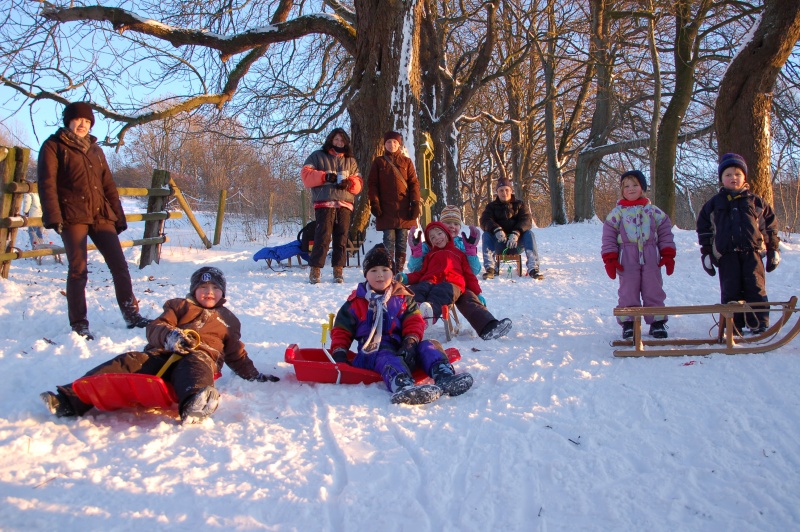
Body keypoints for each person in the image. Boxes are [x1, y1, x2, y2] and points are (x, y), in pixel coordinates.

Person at [40, 267, 279, 424]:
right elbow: (155, 327)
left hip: (201, 357)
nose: (209, 292)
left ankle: (194, 403)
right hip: (163, 354)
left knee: (195, 365)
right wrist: (170, 337)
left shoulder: (228, 320)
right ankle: (70, 398)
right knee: (129, 360)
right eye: (203, 288)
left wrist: (253, 375)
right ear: (193, 290)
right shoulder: (179, 306)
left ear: (222, 293)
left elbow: (235, 354)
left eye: (215, 288)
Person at [37, 101, 150, 340]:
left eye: (87, 121)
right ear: (68, 121)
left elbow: (108, 184)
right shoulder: (53, 146)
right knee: (78, 270)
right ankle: (79, 323)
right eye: (79, 120)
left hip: (100, 215)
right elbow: (47, 184)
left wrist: (117, 215)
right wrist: (53, 217)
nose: (83, 125)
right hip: (72, 216)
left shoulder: (95, 149)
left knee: (120, 266)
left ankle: (132, 315)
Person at [330, 244, 473, 405]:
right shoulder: (356, 302)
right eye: (374, 271)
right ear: (366, 275)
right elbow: (341, 330)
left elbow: (415, 321)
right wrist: (340, 352)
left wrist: (410, 342)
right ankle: (402, 384)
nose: (380, 275)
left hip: (403, 349)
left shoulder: (403, 298)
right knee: (386, 356)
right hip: (373, 353)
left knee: (429, 345)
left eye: (385, 270)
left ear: (393, 274)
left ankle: (444, 375)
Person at [697, 153, 780, 334]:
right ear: (721, 179)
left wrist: (773, 249)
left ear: (744, 177)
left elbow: (769, 226)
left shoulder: (755, 201)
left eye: (737, 174)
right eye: (728, 175)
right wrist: (707, 253)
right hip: (727, 255)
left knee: (755, 287)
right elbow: (705, 230)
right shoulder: (713, 204)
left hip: (752, 252)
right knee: (730, 289)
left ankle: (759, 322)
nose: (733, 178)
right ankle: (733, 324)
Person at [407, 206, 512, 340]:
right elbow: (416, 270)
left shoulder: (464, 244)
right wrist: (416, 252)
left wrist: (470, 250)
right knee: (416, 292)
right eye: (448, 223)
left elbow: (472, 271)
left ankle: (488, 327)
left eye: (456, 223)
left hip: (457, 283)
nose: (452, 226)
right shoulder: (429, 245)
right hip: (432, 282)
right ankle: (410, 320)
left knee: (469, 301)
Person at [601, 170, 676, 339]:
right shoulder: (617, 213)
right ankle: (629, 323)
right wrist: (610, 258)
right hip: (626, 256)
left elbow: (665, 231)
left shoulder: (653, 211)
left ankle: (657, 322)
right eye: (626, 186)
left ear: (642, 188)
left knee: (653, 287)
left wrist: (668, 253)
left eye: (635, 185)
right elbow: (608, 236)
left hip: (651, 255)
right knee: (628, 289)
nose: (631, 189)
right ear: (622, 191)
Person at [301, 127, 363, 284]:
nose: (339, 142)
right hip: (324, 202)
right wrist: (325, 177)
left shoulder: (351, 161)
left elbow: (359, 184)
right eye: (336, 139)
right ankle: (315, 269)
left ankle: (338, 270)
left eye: (342, 140)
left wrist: (349, 183)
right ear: (330, 140)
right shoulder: (317, 156)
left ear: (346, 142)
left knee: (341, 237)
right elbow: (306, 175)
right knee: (322, 236)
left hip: (345, 204)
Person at [367, 131, 421, 274]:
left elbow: (414, 183)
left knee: (402, 241)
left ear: (399, 144)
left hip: (404, 208)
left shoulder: (407, 162)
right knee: (389, 240)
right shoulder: (379, 162)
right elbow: (372, 184)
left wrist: (415, 202)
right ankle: (389, 269)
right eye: (389, 142)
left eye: (395, 142)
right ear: (384, 145)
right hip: (386, 208)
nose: (392, 145)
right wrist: (375, 202)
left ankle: (399, 271)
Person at [480, 177, 543, 280]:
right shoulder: (491, 207)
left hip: (517, 244)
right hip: (499, 243)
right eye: (501, 190)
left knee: (529, 234)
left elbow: (527, 220)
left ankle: (533, 268)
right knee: (486, 235)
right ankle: (490, 268)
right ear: (497, 192)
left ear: (511, 191)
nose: (504, 193)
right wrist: (496, 230)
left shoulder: (520, 205)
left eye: (506, 190)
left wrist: (516, 233)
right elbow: (484, 221)